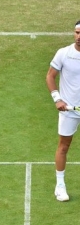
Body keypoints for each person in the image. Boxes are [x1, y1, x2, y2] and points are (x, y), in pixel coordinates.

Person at [46, 20, 80, 201]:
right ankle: (60, 186)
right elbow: (50, 76)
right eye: (77, 33)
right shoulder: (64, 54)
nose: (79, 37)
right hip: (69, 111)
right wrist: (57, 99)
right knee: (64, 146)